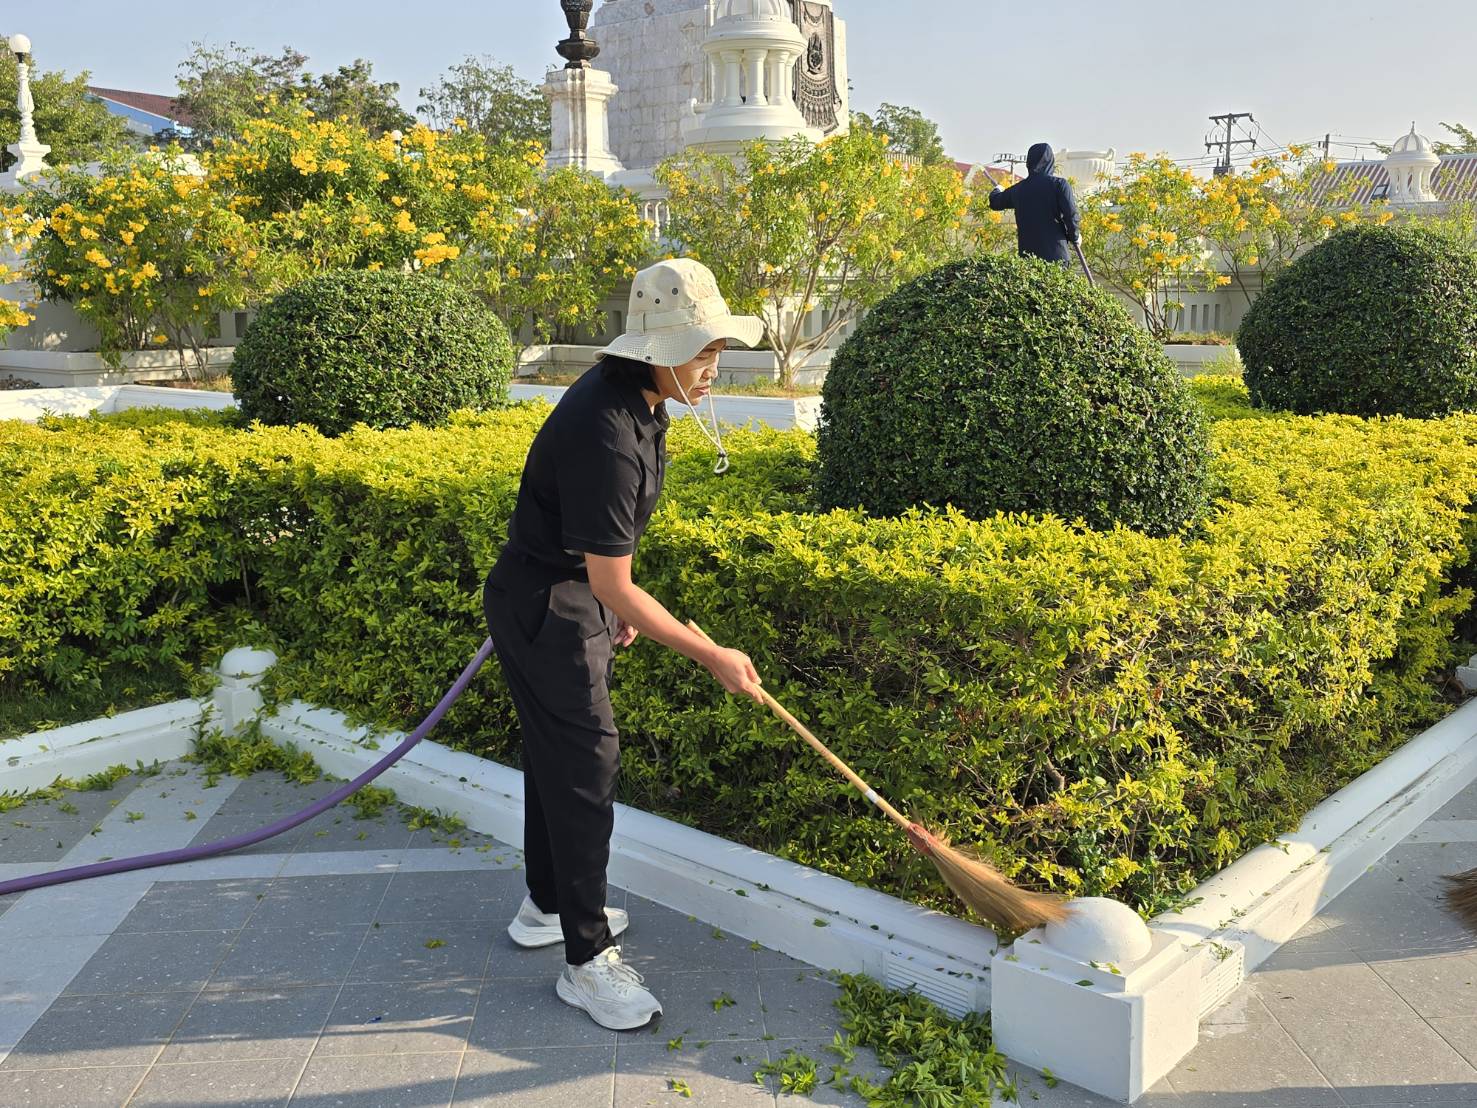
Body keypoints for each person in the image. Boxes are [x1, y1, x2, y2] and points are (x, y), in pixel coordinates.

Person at [483, 257, 768, 1032]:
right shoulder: (606, 427)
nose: (713, 367)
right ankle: (585, 960)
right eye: (701, 351)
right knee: (586, 765)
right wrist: (710, 654)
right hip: (547, 610)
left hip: (566, 597)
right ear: (654, 346)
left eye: (716, 350)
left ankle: (547, 904)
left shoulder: (640, 398)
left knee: (563, 759)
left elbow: (610, 566)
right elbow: (610, 578)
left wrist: (619, 600)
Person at [988, 142, 1081, 265]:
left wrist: (997, 189)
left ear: (1029, 162)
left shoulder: (1019, 189)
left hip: (1029, 261)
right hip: (1057, 257)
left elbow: (995, 202)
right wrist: (1075, 236)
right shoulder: (1059, 185)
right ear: (1050, 161)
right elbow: (1071, 215)